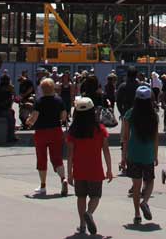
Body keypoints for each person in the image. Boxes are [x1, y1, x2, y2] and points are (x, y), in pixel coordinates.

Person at [67, 96, 113, 235]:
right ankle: (90, 212)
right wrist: (109, 169)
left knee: (81, 197)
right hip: (95, 169)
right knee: (95, 196)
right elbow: (106, 150)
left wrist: (69, 173)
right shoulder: (99, 129)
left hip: (79, 169)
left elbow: (70, 154)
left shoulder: (73, 132)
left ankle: (82, 224)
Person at [121, 84, 159, 225]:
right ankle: (145, 202)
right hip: (148, 153)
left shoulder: (130, 114)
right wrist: (155, 155)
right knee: (149, 181)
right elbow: (155, 137)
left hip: (133, 153)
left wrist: (123, 157)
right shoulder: (153, 115)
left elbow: (125, 137)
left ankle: (137, 214)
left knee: (136, 186)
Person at [26, 77, 68, 197]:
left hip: (41, 132)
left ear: (42, 89)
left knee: (42, 158)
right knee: (57, 157)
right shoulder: (59, 100)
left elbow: (34, 118)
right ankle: (63, 179)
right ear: (53, 88)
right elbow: (64, 116)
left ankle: (43, 185)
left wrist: (28, 121)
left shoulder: (39, 101)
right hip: (56, 131)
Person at [0, 72, 17, 143]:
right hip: (1, 110)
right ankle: (10, 137)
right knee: (11, 119)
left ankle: (11, 135)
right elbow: (7, 102)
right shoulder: (5, 90)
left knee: (12, 113)